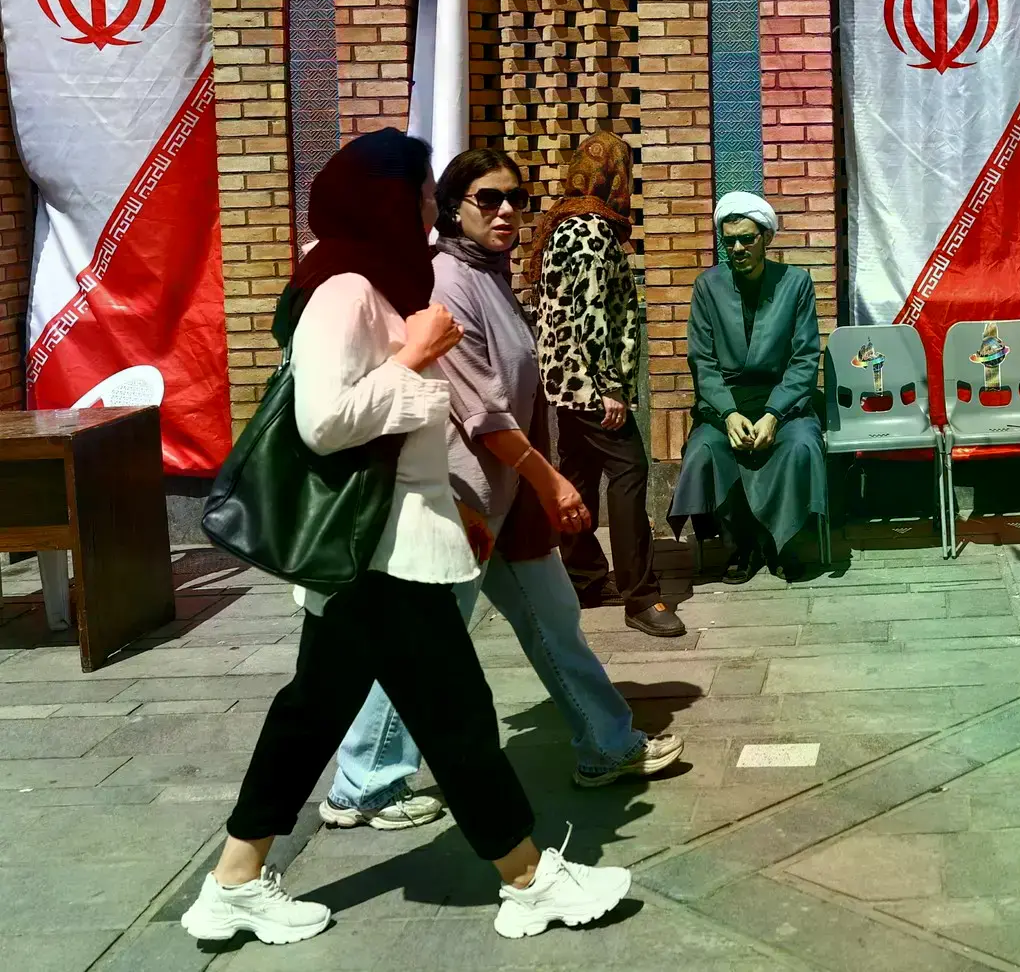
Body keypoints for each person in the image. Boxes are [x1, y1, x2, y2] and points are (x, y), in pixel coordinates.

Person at [181, 130, 630, 947]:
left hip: (381, 548)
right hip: (381, 551)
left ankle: (233, 882)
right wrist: (415, 366)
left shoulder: (378, 280)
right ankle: (529, 879)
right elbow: (323, 423)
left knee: (310, 716)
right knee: (457, 717)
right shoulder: (345, 288)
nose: (433, 205)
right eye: (424, 191)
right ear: (384, 198)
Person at [317, 148, 685, 835]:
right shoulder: (446, 279)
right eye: (488, 199)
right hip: (458, 498)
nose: (507, 211)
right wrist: (550, 481)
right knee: (423, 644)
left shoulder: (490, 275)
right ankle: (363, 784)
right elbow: (480, 410)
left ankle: (606, 745)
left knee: (552, 621)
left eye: (516, 198)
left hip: (503, 495)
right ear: (455, 207)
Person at [524, 131, 681, 637]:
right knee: (631, 472)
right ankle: (642, 596)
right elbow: (591, 313)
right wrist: (608, 388)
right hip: (591, 385)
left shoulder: (560, 226)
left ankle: (585, 576)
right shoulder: (592, 232)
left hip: (564, 383)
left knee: (580, 471)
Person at [670, 193, 828, 583]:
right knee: (707, 450)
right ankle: (740, 543)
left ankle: (782, 541)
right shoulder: (708, 287)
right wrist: (728, 414)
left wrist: (775, 414)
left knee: (801, 445)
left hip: (783, 404)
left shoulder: (796, 284)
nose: (738, 248)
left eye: (747, 238)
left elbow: (805, 358)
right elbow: (702, 361)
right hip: (725, 404)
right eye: (730, 241)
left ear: (766, 238)